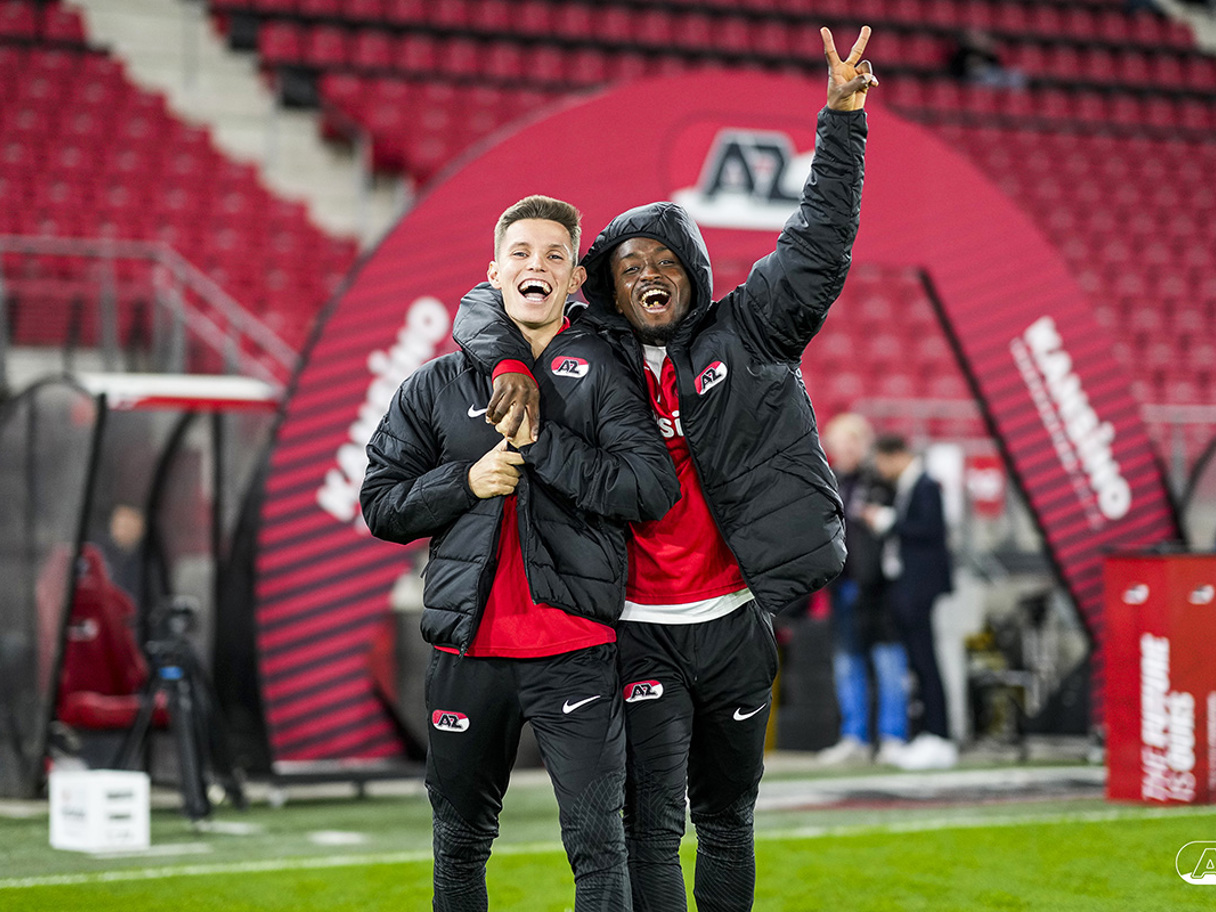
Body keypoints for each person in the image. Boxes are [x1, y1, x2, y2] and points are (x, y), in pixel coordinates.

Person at [453, 28, 876, 912]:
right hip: (636, 629)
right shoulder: (584, 354)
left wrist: (841, 121)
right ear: (606, 289)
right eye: (629, 266)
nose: (649, 273)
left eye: (665, 262)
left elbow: (818, 246)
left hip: (734, 624)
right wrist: (507, 365)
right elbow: (487, 300)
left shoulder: (750, 333)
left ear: (693, 274)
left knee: (727, 819)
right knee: (651, 829)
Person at [360, 195, 679, 912]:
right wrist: (464, 482)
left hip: (578, 650)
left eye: (555, 255)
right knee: (459, 845)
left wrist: (543, 446)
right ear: (495, 272)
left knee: (600, 849)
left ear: (574, 280)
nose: (538, 264)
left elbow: (650, 489)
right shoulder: (434, 386)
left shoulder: (609, 376)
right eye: (522, 253)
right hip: (467, 654)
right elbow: (381, 504)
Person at [816, 413, 908, 767]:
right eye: (840, 443)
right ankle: (854, 737)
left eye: (852, 442)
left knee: (888, 660)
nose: (846, 450)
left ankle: (893, 736)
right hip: (842, 585)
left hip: (879, 588)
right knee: (847, 662)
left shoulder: (881, 481)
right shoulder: (827, 481)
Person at [863, 433, 958, 771]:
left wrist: (888, 521)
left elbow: (930, 530)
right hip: (907, 586)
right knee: (917, 663)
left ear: (895, 455)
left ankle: (940, 736)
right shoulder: (908, 486)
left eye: (881, 461)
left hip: (920, 588)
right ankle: (928, 734)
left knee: (926, 661)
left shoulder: (926, 485)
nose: (880, 470)